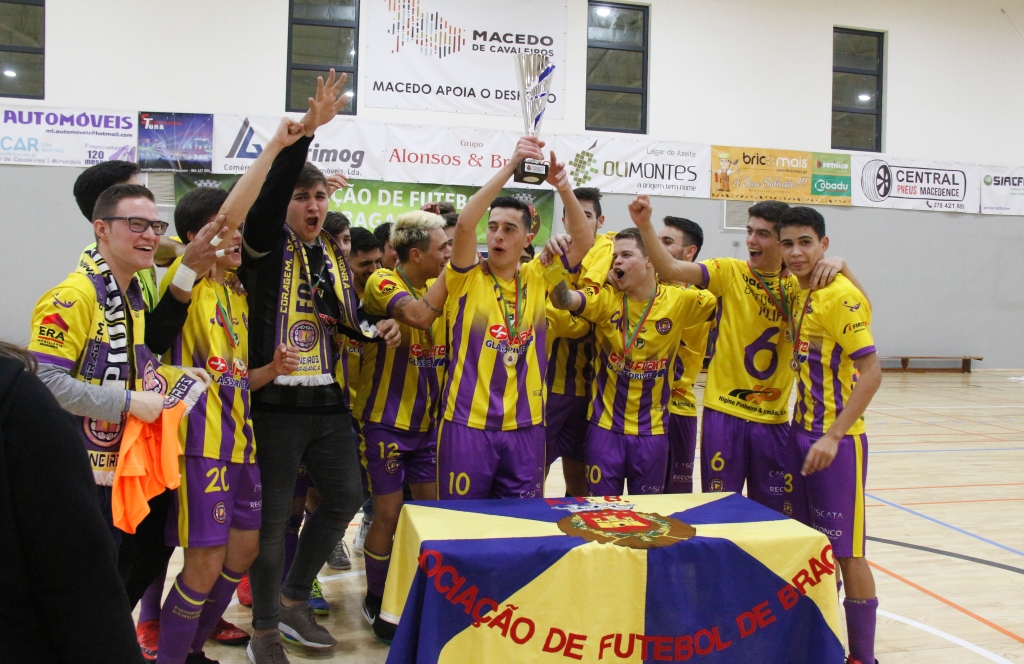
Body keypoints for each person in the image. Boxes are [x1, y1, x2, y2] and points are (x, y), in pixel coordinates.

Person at [231, 70, 397, 664]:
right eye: (303, 197)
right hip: (274, 400)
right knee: (273, 522)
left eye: (320, 196)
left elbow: (343, 315)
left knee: (347, 497)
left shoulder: (328, 249)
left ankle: (297, 598)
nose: (312, 205)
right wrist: (305, 136)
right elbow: (270, 197)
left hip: (327, 399)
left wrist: (378, 328)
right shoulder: (263, 244)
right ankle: (265, 630)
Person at [152, 117, 307, 664]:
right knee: (202, 564)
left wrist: (270, 368)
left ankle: (192, 649)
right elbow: (224, 217)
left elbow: (231, 377)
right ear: (199, 238)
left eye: (239, 233)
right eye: (229, 232)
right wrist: (276, 146)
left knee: (241, 553)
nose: (238, 237)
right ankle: (175, 656)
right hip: (200, 447)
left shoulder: (236, 293)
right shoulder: (179, 277)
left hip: (242, 445)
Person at [28, 184, 212, 611]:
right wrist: (130, 403)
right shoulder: (74, 296)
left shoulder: (130, 297)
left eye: (155, 226)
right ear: (101, 229)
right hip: (75, 475)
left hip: (118, 471)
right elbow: (44, 384)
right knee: (78, 594)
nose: (149, 235)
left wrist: (173, 375)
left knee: (117, 581)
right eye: (135, 224)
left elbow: (131, 368)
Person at [632, 197, 860, 519]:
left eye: (763, 234)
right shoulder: (729, 271)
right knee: (720, 512)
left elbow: (860, 309)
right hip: (724, 414)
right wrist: (644, 225)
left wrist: (842, 265)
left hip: (774, 419)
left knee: (772, 517)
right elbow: (670, 268)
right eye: (749, 231)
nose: (751, 241)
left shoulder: (798, 287)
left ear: (782, 244)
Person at [438, 136, 593, 500]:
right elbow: (463, 225)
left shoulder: (539, 276)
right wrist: (511, 166)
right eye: (493, 227)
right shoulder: (465, 276)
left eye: (509, 229)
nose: (497, 236)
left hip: (526, 427)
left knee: (520, 524)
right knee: (464, 523)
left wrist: (562, 186)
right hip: (467, 424)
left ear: (527, 238)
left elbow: (584, 240)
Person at [549, 216, 717, 496]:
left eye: (626, 255)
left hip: (652, 433)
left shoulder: (682, 300)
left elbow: (730, 300)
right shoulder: (606, 300)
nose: (616, 263)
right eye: (615, 256)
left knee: (648, 514)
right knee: (600, 513)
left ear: (651, 260)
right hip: (605, 430)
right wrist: (553, 266)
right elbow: (564, 301)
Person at [778, 207, 880, 664]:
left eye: (805, 242)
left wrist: (834, 436)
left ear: (823, 243)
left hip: (836, 444)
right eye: (788, 244)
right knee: (815, 546)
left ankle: (863, 657)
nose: (796, 252)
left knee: (847, 552)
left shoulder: (837, 295)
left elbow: (872, 372)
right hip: (800, 434)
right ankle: (823, 641)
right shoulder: (800, 291)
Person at [0, 343, 146, 664]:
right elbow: (83, 594)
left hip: (114, 472)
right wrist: (127, 401)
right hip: (92, 474)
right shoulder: (22, 404)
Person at [355, 211, 451, 642]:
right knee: (389, 514)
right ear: (416, 254)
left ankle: (419, 592)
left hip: (428, 425)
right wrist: (458, 273)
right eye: (444, 248)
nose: (451, 254)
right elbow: (416, 315)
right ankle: (376, 597)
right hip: (385, 422)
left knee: (431, 515)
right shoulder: (384, 281)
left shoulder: (437, 288)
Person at [541, 186, 605, 497]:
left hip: (591, 391)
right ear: (565, 220)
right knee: (530, 473)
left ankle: (575, 538)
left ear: (600, 220)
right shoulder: (553, 252)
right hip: (548, 388)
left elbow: (584, 312)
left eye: (588, 215)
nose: (580, 220)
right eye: (574, 215)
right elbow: (561, 318)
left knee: (580, 483)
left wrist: (564, 310)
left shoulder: (607, 248)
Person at [73, 160, 184, 308]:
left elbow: (163, 248)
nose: (150, 236)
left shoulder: (136, 249)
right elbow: (152, 330)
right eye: (134, 192)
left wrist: (183, 250)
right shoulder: (94, 275)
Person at [658, 216, 714, 494]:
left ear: (689, 252)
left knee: (674, 504)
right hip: (633, 413)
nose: (656, 247)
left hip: (679, 409)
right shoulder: (639, 289)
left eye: (667, 242)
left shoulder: (704, 298)